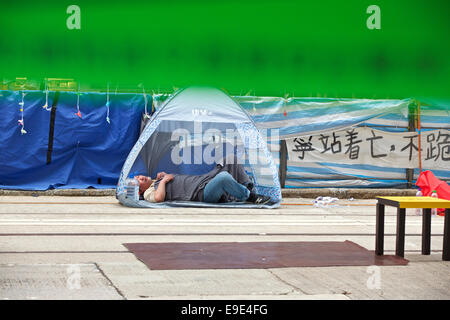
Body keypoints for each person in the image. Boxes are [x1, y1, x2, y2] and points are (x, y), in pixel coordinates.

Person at [134, 158, 272, 205]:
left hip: (203, 180)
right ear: (140, 190)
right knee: (223, 178)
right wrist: (163, 181)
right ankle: (252, 197)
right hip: (201, 193)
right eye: (139, 180)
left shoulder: (156, 181)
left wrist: (163, 177)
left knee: (231, 158)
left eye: (140, 176)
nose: (141, 177)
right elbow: (158, 198)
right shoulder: (148, 193)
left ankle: (247, 189)